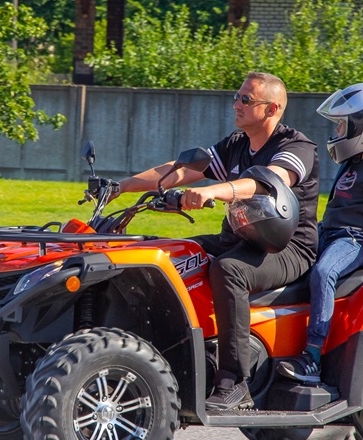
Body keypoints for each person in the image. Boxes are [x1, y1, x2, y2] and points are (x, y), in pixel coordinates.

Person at [117, 72, 320, 410]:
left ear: (272, 109)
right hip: (241, 238)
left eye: (245, 100)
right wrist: (120, 186)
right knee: (169, 255)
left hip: (288, 248)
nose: (236, 104)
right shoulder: (237, 143)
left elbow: (266, 183)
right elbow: (180, 171)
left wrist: (212, 191)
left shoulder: (295, 147)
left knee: (228, 270)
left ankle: (234, 380)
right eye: (236, 96)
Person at [276, 82, 363, 384]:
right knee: (288, 264)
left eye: (342, 126)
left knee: (324, 273)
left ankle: (312, 357)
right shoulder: (350, 164)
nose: (336, 133)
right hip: (328, 233)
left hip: (356, 240)